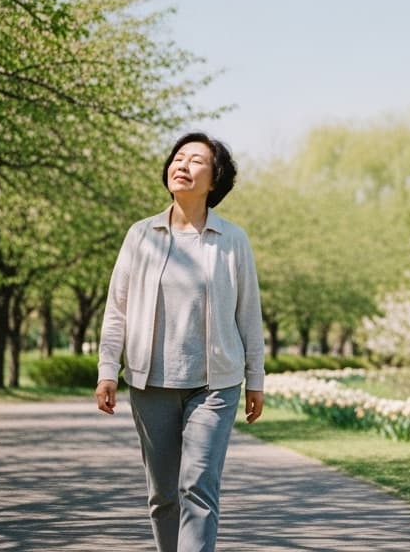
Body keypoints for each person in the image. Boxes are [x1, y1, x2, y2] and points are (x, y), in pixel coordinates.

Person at [95, 132, 266, 552]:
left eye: (196, 161)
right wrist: (107, 369)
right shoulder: (141, 235)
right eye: (178, 158)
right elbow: (117, 307)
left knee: (198, 486)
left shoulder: (232, 241)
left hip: (215, 384)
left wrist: (255, 378)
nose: (182, 165)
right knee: (163, 495)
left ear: (215, 179)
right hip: (150, 382)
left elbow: (249, 313)